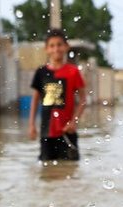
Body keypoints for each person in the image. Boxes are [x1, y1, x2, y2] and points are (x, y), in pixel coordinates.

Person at [28, 29, 87, 162]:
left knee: (70, 169)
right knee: (47, 169)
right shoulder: (41, 72)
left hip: (68, 132)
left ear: (66, 47)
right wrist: (31, 125)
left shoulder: (73, 72)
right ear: (46, 49)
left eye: (59, 44)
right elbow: (35, 99)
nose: (56, 49)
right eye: (52, 45)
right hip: (47, 133)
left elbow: (83, 100)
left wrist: (74, 121)